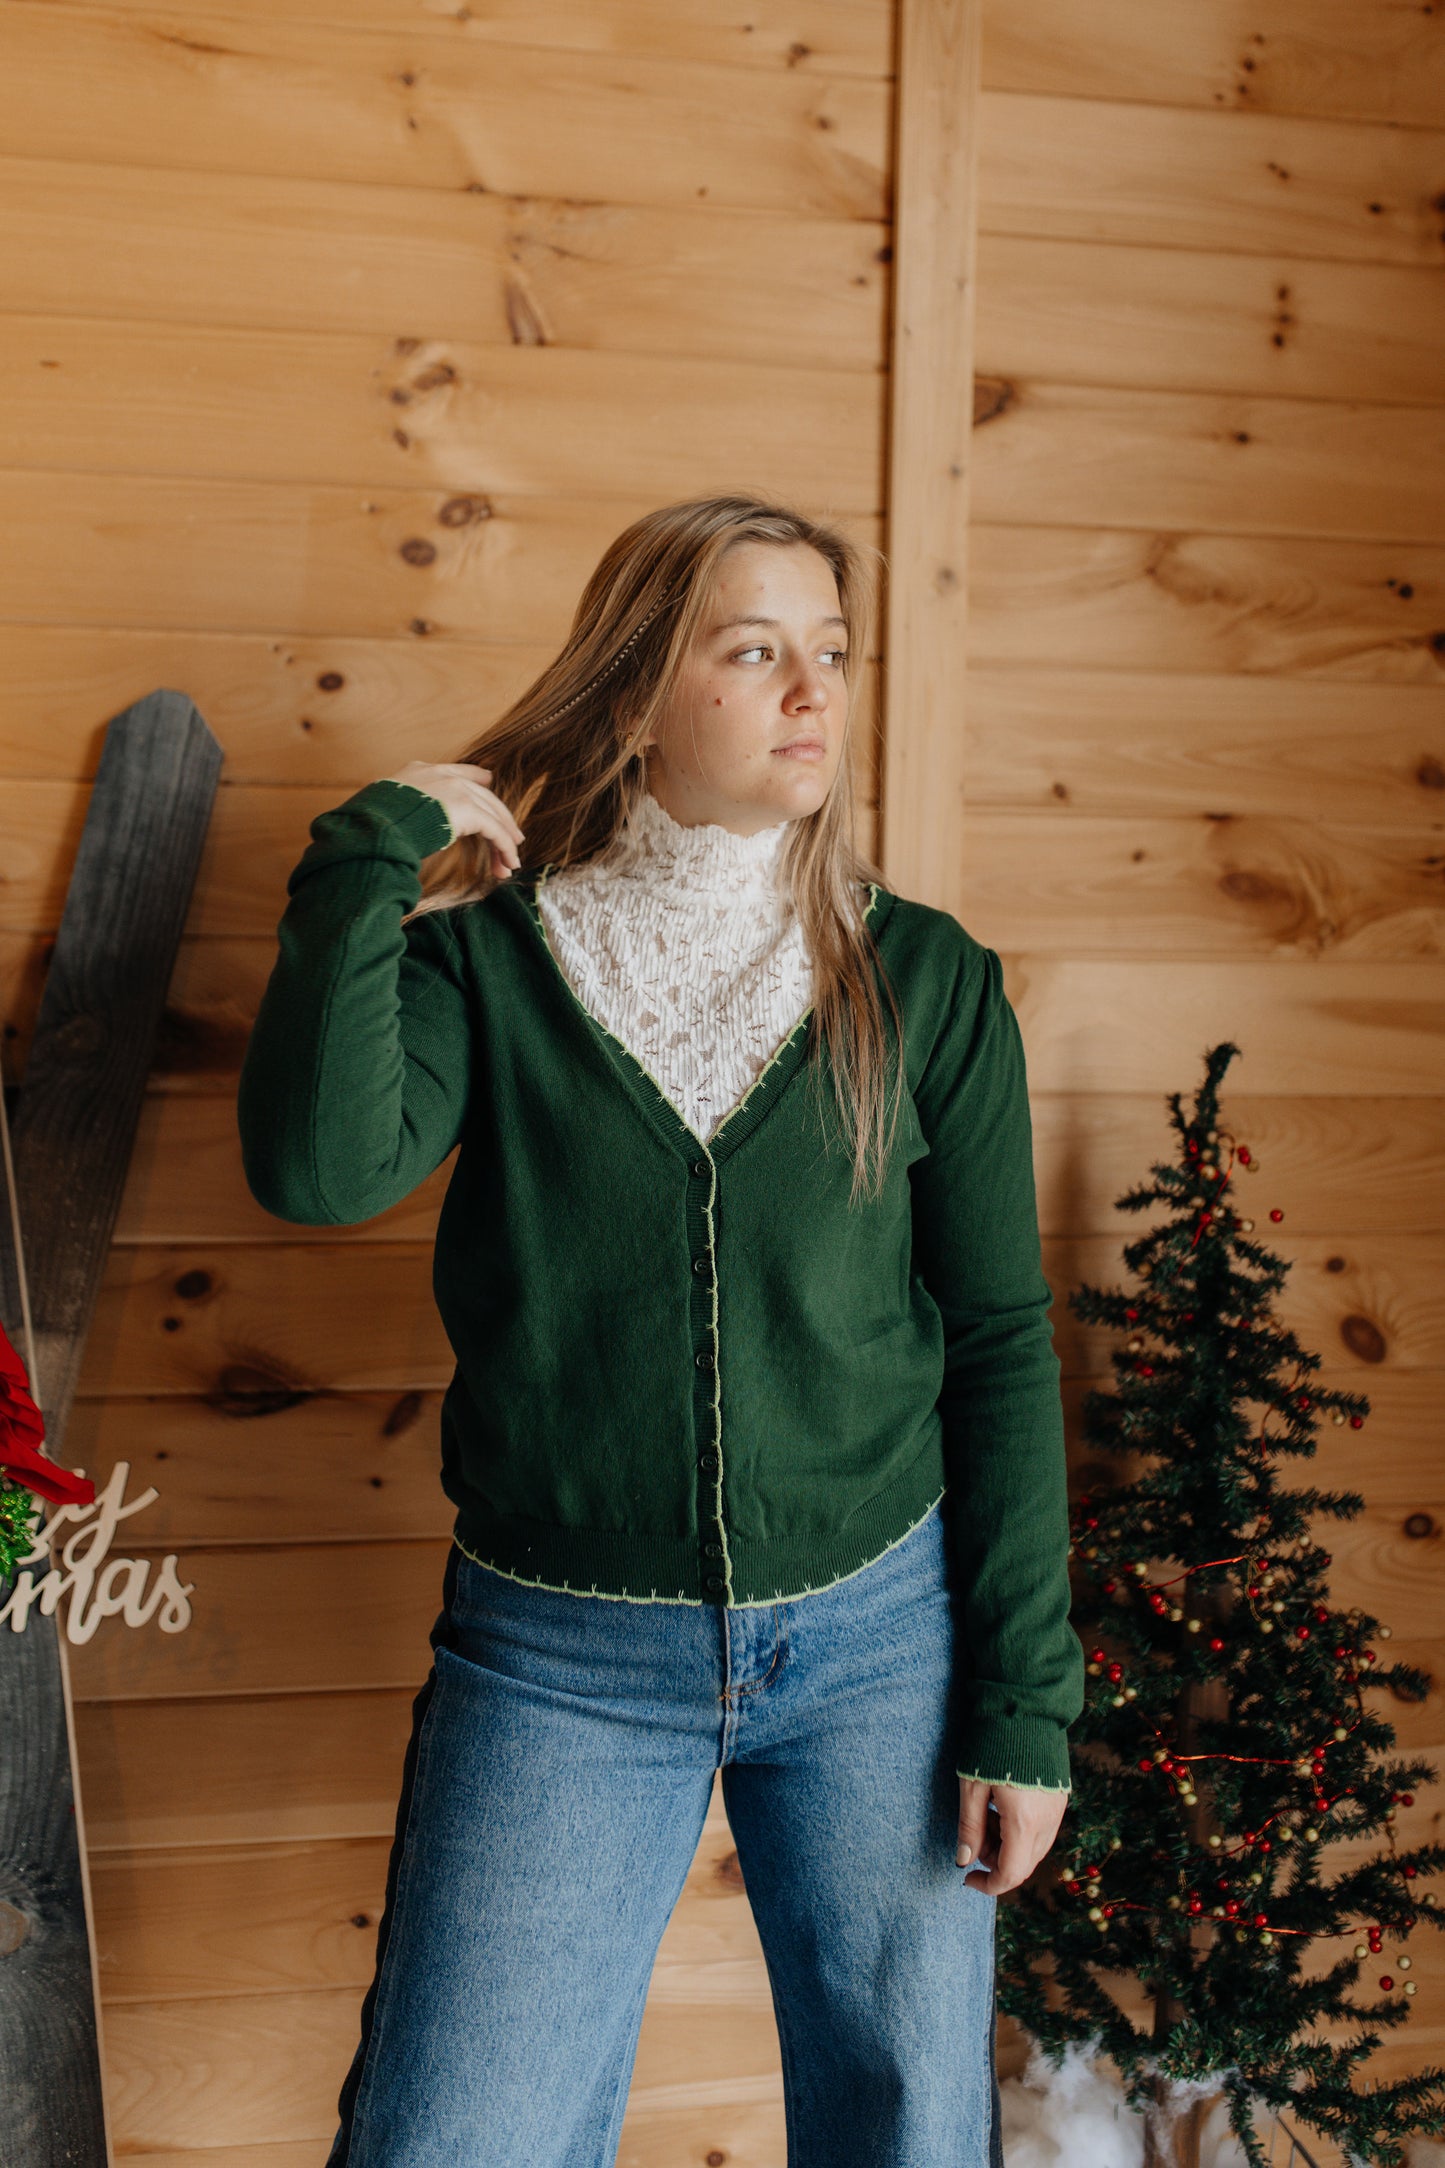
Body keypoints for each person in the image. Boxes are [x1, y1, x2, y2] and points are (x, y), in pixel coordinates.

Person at [237, 492, 1084, 2167]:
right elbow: (317, 1173)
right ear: (635, 695)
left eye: (828, 650)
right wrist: (367, 854)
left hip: (879, 1644)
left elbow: (996, 1340)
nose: (811, 692)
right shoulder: (488, 963)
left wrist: (1024, 1700)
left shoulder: (922, 978)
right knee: (448, 2140)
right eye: (754, 651)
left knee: (912, 2132)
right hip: (556, 1656)